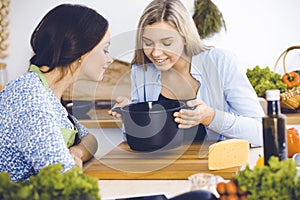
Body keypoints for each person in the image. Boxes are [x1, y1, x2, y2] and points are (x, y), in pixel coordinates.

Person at [110, 0, 264, 146]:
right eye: (148, 43)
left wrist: (210, 117)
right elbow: (140, 139)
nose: (156, 53)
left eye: (167, 43)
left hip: (214, 168)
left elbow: (261, 133)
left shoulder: (220, 62)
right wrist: (131, 116)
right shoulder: (142, 71)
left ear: (185, 38)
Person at [0, 4, 113, 182]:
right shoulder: (29, 95)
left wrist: (77, 151)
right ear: (82, 51)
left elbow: (90, 141)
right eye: (105, 50)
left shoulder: (48, 95)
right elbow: (63, 178)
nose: (110, 59)